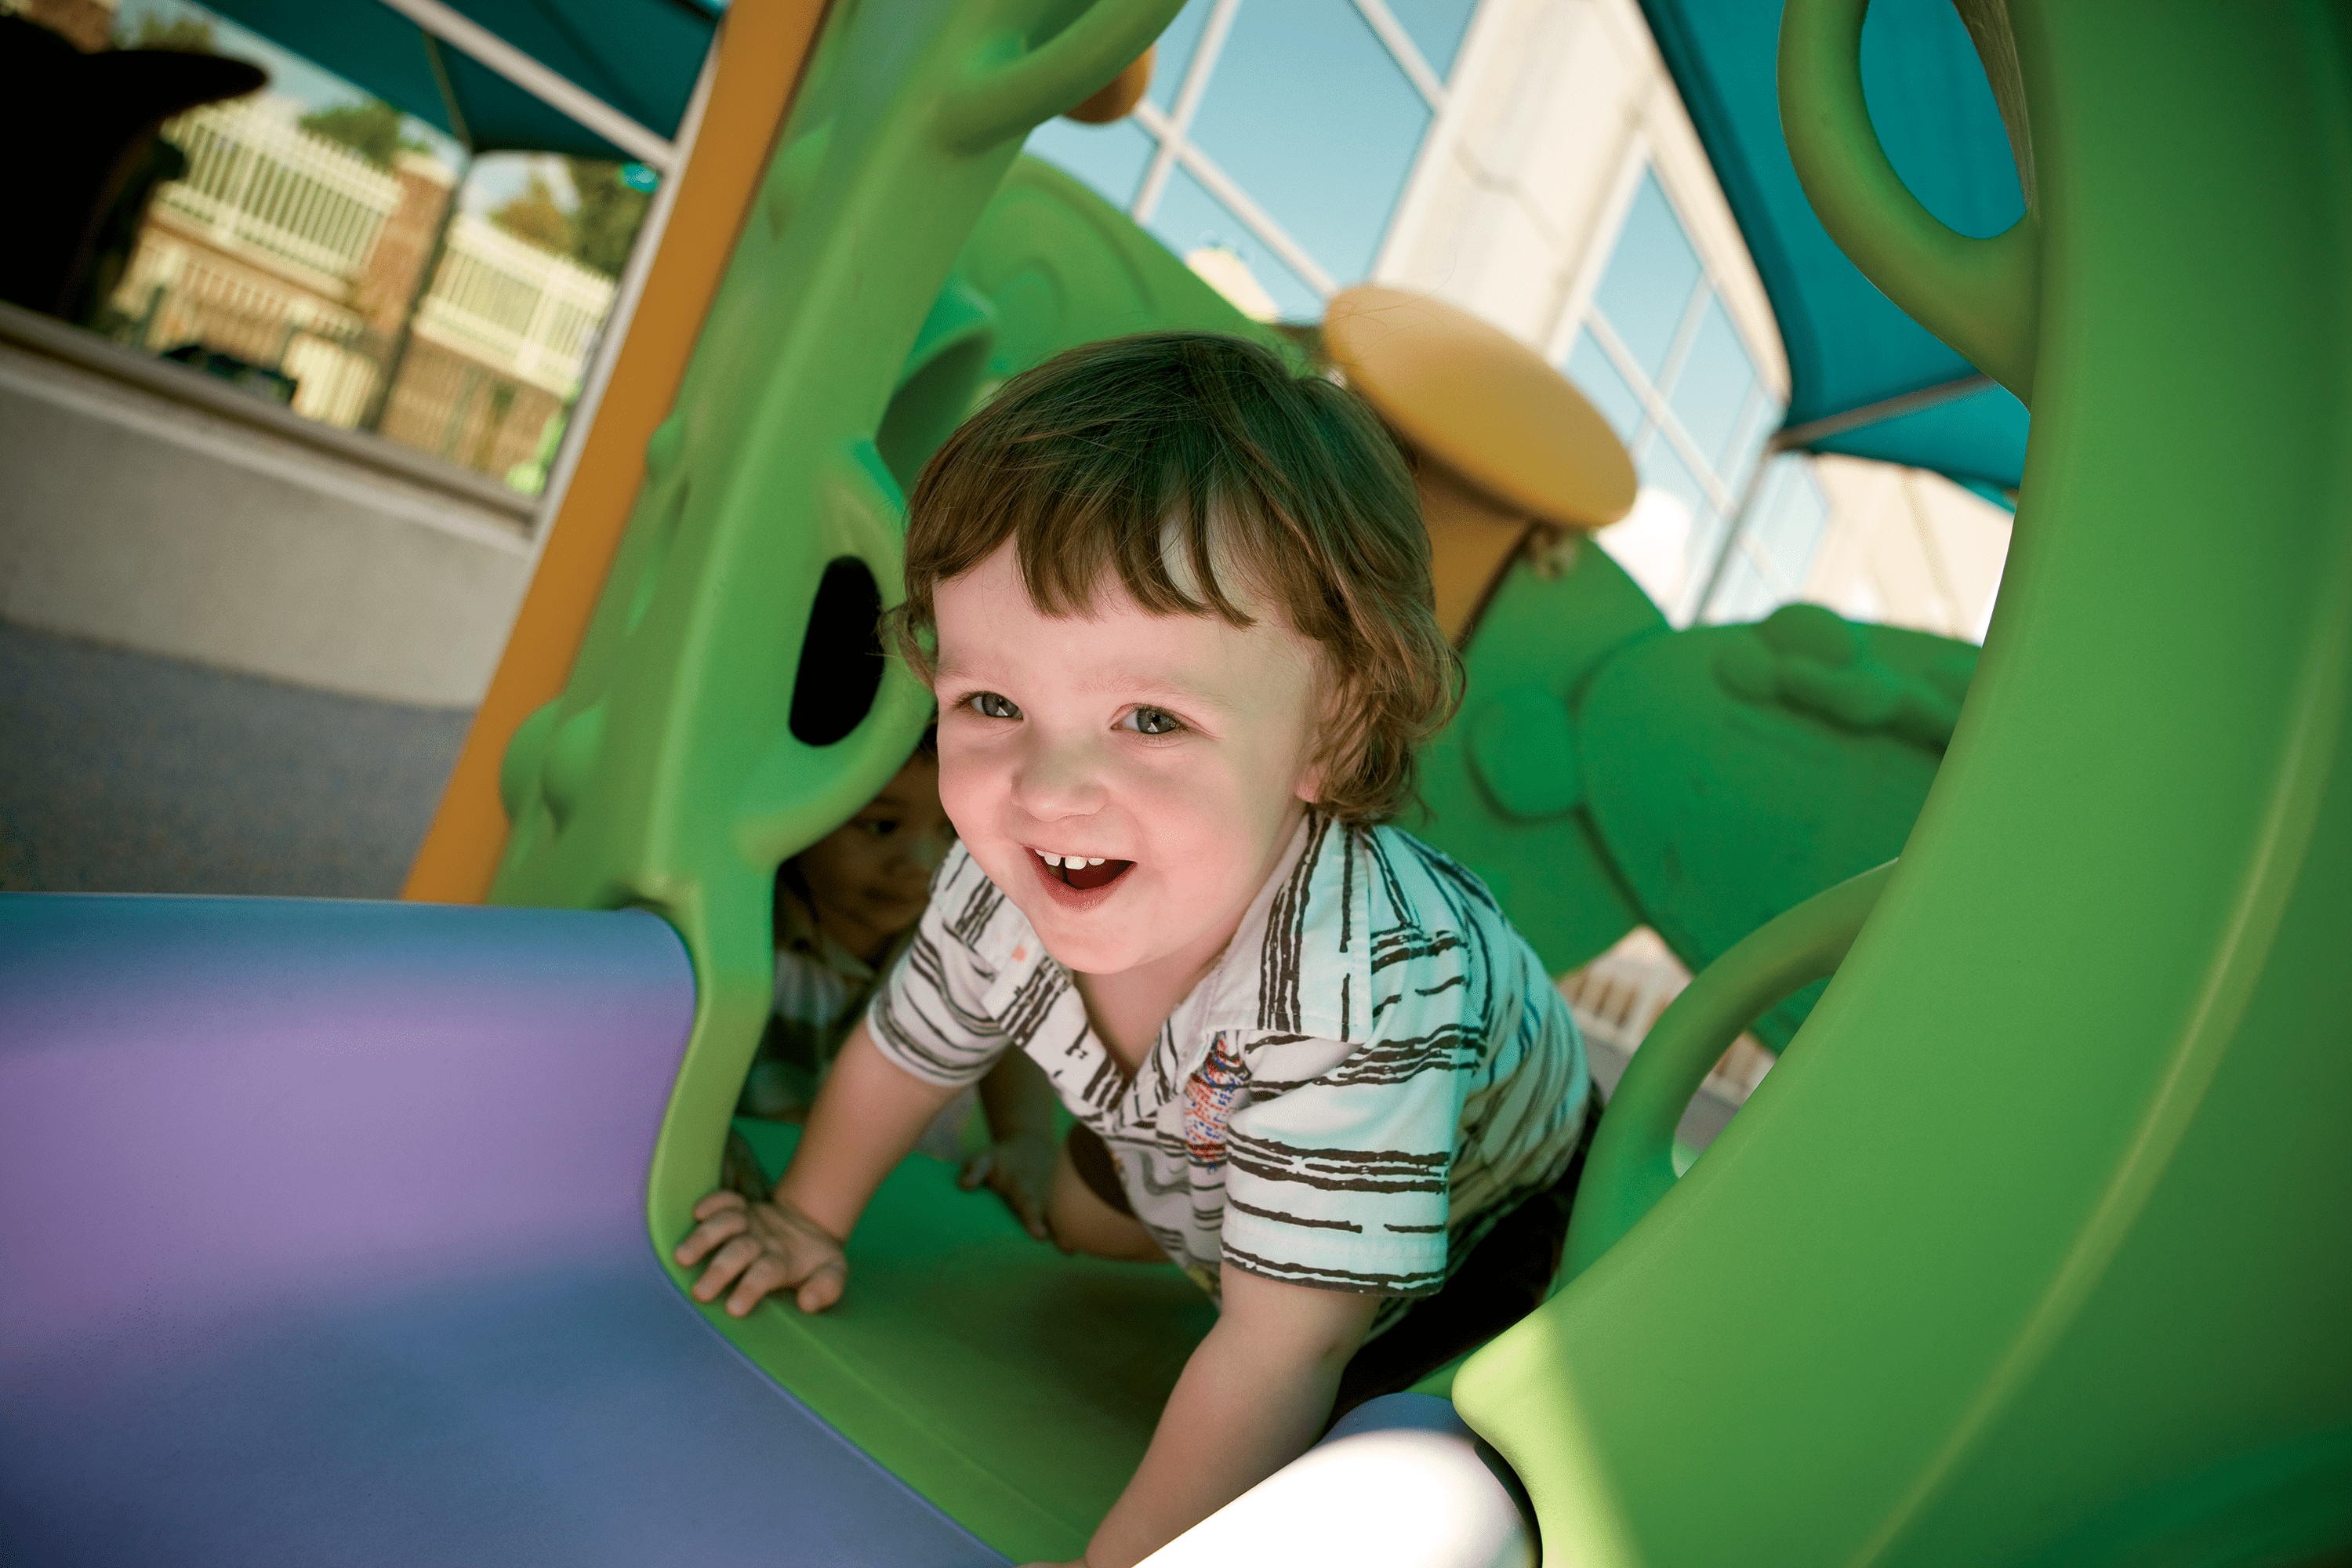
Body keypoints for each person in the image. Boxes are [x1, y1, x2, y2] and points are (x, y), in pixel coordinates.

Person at [674, 332, 1592, 1568]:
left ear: (1330, 731)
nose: (1048, 790)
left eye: (1149, 718)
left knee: (1393, 1474)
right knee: (1079, 1216)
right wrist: (806, 1219)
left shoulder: (1362, 986)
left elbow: (1286, 1346)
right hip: (1197, 1117)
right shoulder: (998, 880)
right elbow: (905, 1053)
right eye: (992, 704)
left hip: (1494, 1230)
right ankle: (1207, 1199)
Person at [722, 734, 1059, 1238]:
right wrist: (697, 1141)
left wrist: (1026, 1139)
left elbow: (1006, 1032)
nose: (922, 860)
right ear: (795, 809)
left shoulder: (966, 934)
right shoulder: (739, 932)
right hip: (759, 1194)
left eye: (954, 829)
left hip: (907, 1203)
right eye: (880, 826)